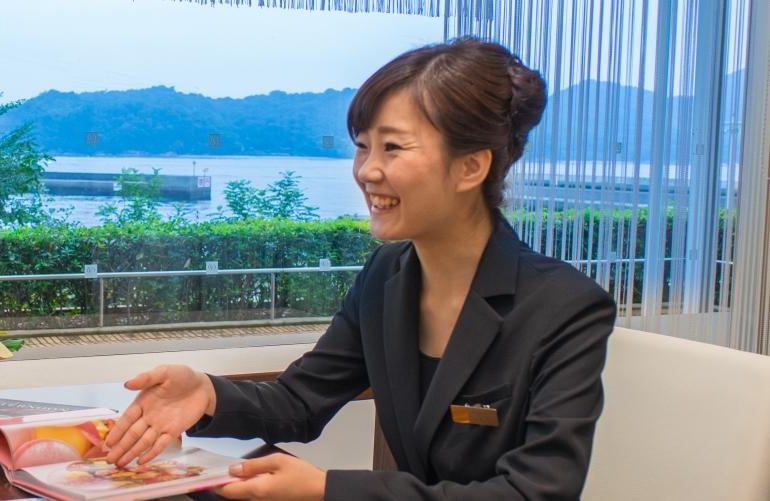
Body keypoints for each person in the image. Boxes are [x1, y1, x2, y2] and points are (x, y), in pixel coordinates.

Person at [104, 37, 617, 500]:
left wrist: (329, 490)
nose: (367, 171)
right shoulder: (387, 275)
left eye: (392, 148)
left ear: (471, 167)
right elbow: (301, 401)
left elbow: (537, 491)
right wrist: (206, 392)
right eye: (363, 147)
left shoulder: (564, 307)